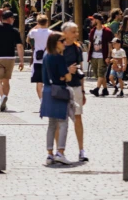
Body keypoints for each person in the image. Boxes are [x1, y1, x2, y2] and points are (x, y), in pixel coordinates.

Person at [41, 31, 78, 166]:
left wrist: (64, 74)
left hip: (47, 90)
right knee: (63, 123)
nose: (65, 43)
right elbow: (66, 77)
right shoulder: (58, 57)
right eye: (62, 41)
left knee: (51, 124)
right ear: (56, 43)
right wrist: (69, 71)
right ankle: (60, 153)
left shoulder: (46, 55)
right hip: (59, 91)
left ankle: (49, 155)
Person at [61, 22, 87, 162]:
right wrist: (66, 70)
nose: (77, 34)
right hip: (61, 87)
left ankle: (81, 150)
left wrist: (83, 91)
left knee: (78, 118)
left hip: (76, 85)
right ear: (65, 33)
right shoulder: (58, 47)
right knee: (60, 119)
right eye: (74, 31)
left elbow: (80, 68)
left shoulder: (77, 48)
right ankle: (60, 151)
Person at [87, 13, 113, 97]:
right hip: (94, 55)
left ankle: (97, 89)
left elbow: (109, 44)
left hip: (103, 55)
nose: (91, 21)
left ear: (97, 20)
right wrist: (89, 55)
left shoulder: (107, 31)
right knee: (98, 74)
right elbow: (91, 43)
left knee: (101, 72)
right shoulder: (92, 31)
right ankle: (105, 89)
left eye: (93, 19)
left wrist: (108, 56)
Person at [27, 14, 52, 100]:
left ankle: (41, 100)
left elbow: (28, 39)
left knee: (39, 82)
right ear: (47, 22)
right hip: (48, 59)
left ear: (38, 22)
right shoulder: (51, 33)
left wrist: (35, 26)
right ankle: (48, 99)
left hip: (37, 60)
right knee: (48, 81)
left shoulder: (34, 32)